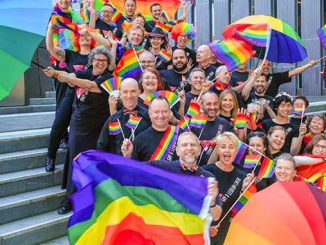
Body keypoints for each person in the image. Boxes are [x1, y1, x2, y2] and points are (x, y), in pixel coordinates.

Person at [44, 46, 113, 214]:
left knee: (93, 164)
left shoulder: (108, 79)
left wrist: (66, 77)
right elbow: (72, 77)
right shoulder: (85, 71)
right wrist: (57, 74)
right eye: (97, 60)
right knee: (75, 161)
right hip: (78, 125)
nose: (100, 63)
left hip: (97, 128)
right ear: (92, 60)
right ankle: (69, 199)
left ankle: (91, 199)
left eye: (104, 61)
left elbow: (89, 85)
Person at [44, 22, 104, 171]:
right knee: (59, 124)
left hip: (88, 99)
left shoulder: (97, 57)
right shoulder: (70, 54)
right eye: (81, 36)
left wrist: (90, 32)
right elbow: (51, 48)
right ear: (76, 38)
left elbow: (107, 45)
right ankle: (50, 157)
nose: (84, 37)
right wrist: (51, 28)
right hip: (71, 94)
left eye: (87, 36)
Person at [147, 132, 223, 221]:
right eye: (184, 145)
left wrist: (212, 202)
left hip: (189, 232)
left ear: (199, 150)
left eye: (193, 145)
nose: (189, 148)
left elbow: (216, 217)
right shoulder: (160, 167)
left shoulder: (208, 178)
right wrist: (128, 156)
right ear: (177, 151)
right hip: (163, 229)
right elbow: (132, 171)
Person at [203, 132, 248, 244]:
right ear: (217, 150)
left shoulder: (242, 176)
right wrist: (205, 227)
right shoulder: (205, 171)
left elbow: (239, 209)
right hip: (202, 230)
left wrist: (244, 190)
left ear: (236, 151)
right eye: (223, 147)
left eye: (231, 147)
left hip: (225, 232)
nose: (227, 150)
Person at [97, 78, 151, 154]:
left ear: (139, 92)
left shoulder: (149, 115)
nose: (129, 95)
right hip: (120, 164)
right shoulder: (113, 120)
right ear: (120, 94)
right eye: (125, 92)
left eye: (133, 91)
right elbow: (101, 147)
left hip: (144, 164)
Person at [122, 96, 179, 161]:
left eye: (164, 111)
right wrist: (128, 157)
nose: (160, 115)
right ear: (149, 113)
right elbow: (134, 168)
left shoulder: (180, 134)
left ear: (170, 113)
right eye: (156, 112)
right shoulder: (139, 140)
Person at [191, 92, 233, 166]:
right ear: (201, 105)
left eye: (215, 103)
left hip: (216, 171)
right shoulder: (194, 122)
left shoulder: (225, 123)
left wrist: (241, 128)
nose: (213, 107)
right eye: (208, 104)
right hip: (194, 169)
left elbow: (235, 147)